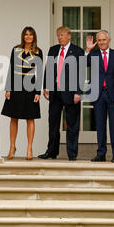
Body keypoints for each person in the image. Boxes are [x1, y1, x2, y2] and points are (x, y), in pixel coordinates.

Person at [38, 26, 85, 161]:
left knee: (72, 125)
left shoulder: (77, 51)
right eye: (58, 35)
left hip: (71, 93)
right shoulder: (53, 49)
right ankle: (51, 152)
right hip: (55, 93)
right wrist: (46, 86)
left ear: (69, 36)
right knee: (53, 123)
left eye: (62, 35)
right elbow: (48, 68)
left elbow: (81, 73)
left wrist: (78, 92)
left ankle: (72, 154)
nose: (60, 37)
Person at [1, 26, 43, 160]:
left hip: (30, 88)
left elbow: (40, 72)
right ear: (23, 36)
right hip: (16, 87)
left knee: (30, 118)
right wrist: (8, 88)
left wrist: (38, 92)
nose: (28, 36)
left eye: (31, 34)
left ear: (34, 36)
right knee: (14, 118)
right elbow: (11, 69)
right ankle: (12, 146)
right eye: (26, 34)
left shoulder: (38, 52)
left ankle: (29, 148)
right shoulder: (16, 49)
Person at [85, 31, 114, 163]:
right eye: (99, 40)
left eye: (104, 39)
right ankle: (101, 154)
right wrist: (88, 50)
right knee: (100, 126)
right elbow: (82, 64)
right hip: (98, 95)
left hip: (113, 95)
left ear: (109, 40)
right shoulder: (93, 54)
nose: (101, 42)